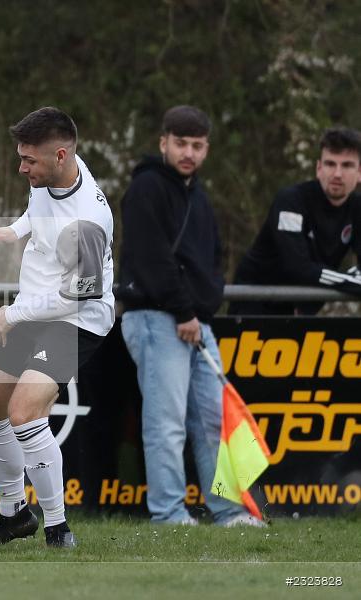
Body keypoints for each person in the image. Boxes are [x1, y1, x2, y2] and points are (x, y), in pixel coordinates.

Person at [0, 107, 114, 548]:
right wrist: (14, 231)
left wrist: (14, 314)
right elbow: (40, 208)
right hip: (35, 307)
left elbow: (80, 295)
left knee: (24, 412)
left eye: (29, 161)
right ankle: (14, 515)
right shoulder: (54, 172)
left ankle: (58, 527)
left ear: (59, 155)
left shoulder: (88, 222)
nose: (22, 168)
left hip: (75, 318)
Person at [118, 105, 262, 527]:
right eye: (180, 143)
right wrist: (184, 311)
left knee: (214, 421)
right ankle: (168, 514)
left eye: (197, 145)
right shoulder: (146, 188)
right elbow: (152, 258)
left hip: (196, 322)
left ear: (207, 149)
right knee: (166, 423)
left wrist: (202, 306)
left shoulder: (198, 195)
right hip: (156, 318)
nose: (188, 153)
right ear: (163, 142)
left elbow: (212, 257)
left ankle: (228, 510)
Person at [230, 127, 361, 316]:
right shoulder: (291, 201)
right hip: (255, 305)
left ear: (359, 172)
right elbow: (298, 267)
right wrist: (350, 281)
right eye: (330, 164)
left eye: (347, 165)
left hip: (301, 309)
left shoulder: (357, 207)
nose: (337, 174)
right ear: (319, 168)